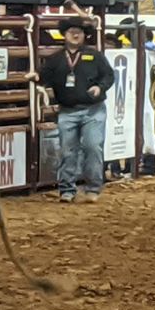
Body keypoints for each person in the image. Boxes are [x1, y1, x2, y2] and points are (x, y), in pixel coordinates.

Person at [28, 18, 114, 203]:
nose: (75, 34)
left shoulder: (95, 56)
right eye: (71, 31)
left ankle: (93, 188)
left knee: (93, 146)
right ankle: (67, 189)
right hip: (67, 110)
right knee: (67, 150)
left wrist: (100, 87)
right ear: (64, 35)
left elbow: (109, 76)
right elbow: (43, 76)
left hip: (93, 110)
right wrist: (35, 77)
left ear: (84, 35)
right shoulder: (56, 59)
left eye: (79, 32)